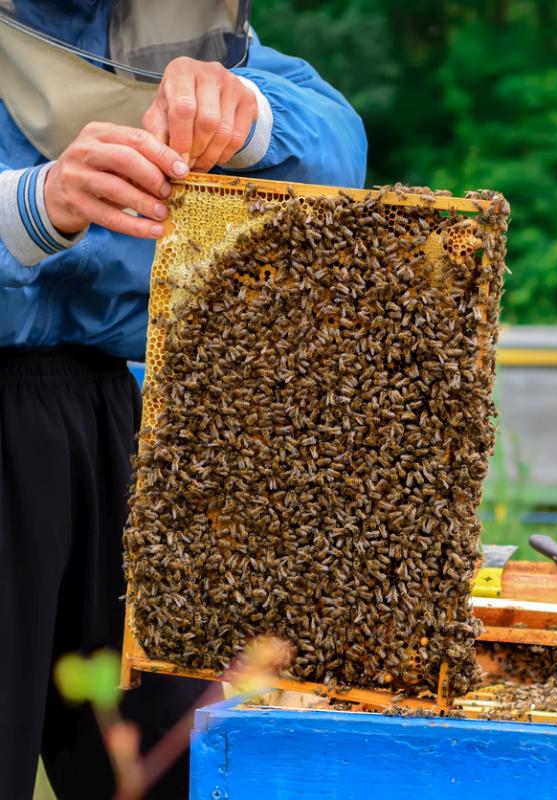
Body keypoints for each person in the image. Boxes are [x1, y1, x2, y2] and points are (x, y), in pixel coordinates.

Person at [0, 1, 367, 797]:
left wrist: (250, 115)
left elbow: (337, 145)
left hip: (114, 409)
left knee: (176, 759)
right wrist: (32, 205)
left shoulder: (148, 18)